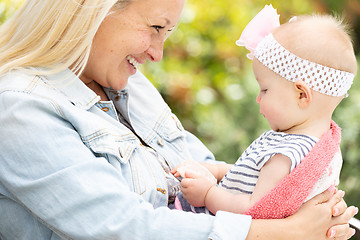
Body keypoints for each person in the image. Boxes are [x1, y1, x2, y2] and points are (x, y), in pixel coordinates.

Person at [0, 1, 357, 239]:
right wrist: (285, 232)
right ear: (91, 10)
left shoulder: (127, 84)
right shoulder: (20, 110)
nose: (157, 53)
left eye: (167, 33)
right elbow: (124, 227)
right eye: (155, 26)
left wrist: (317, 214)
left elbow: (198, 166)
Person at [171, 6, 358, 219]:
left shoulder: (287, 155)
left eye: (265, 89)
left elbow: (255, 209)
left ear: (302, 95)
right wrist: (218, 170)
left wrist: (207, 194)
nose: (258, 98)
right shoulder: (308, 142)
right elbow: (253, 176)